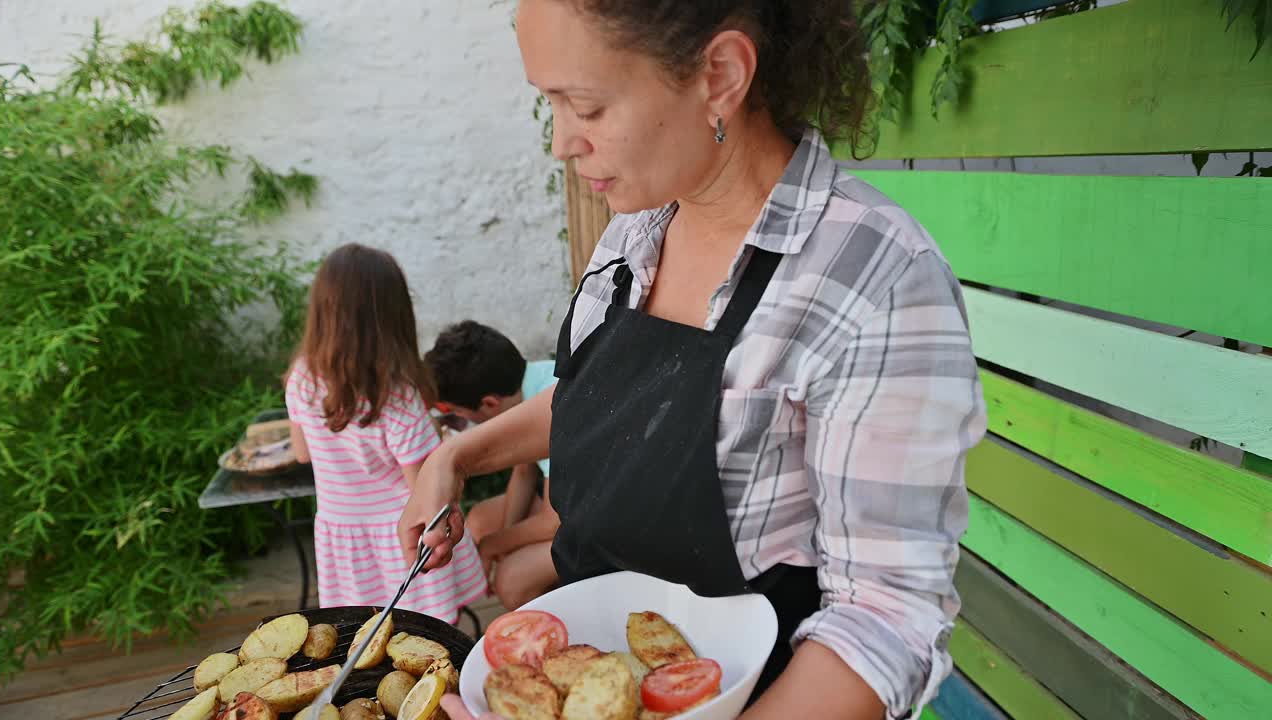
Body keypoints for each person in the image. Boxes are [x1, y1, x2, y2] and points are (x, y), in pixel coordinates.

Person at [400, 2, 987, 718]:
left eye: (584, 105)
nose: (560, 143)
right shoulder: (635, 233)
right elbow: (598, 399)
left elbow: (885, 621)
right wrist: (454, 461)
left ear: (720, 75)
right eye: (549, 105)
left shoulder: (875, 279)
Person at [284, 244, 487, 623]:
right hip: (400, 536)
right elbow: (424, 490)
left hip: (343, 536)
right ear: (393, 316)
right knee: (426, 634)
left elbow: (302, 452)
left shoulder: (301, 377)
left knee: (366, 632)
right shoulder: (396, 396)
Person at [424, 320, 560, 609]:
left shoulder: (553, 406)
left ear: (488, 403)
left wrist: (494, 546)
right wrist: (503, 542)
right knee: (482, 520)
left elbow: (553, 522)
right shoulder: (530, 382)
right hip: (572, 504)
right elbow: (524, 470)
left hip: (613, 522)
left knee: (511, 581)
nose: (459, 421)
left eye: (455, 412)